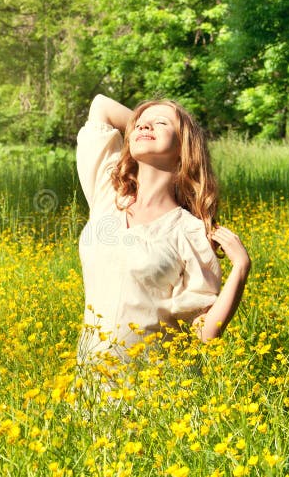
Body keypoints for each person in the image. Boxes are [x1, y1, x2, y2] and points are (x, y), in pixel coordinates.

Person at [76, 94, 251, 369]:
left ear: (184, 147)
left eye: (160, 123)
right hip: (89, 389)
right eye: (139, 124)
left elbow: (204, 333)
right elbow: (101, 105)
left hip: (151, 391)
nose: (144, 127)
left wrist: (240, 269)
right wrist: (149, 128)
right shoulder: (107, 195)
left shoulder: (189, 232)